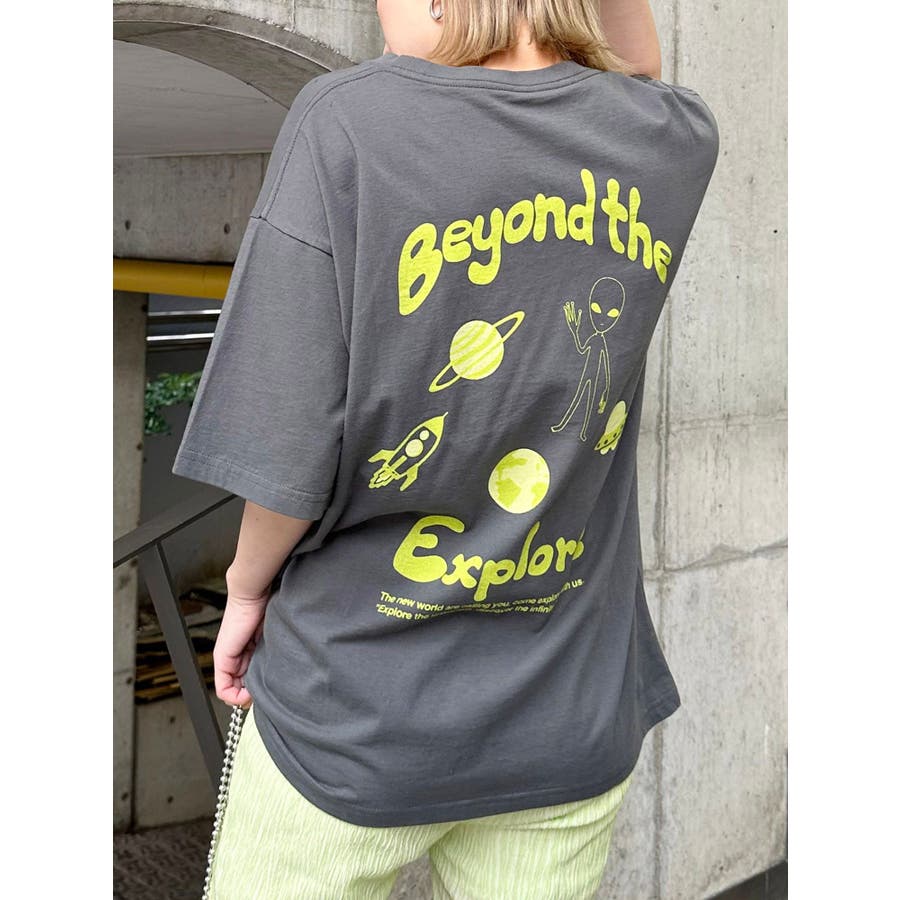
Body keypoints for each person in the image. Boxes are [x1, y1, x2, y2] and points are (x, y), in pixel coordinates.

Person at [171, 1, 718, 897]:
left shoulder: (348, 123)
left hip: (355, 713)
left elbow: (286, 435)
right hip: (569, 713)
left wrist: (244, 589)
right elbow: (637, 64)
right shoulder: (673, 139)